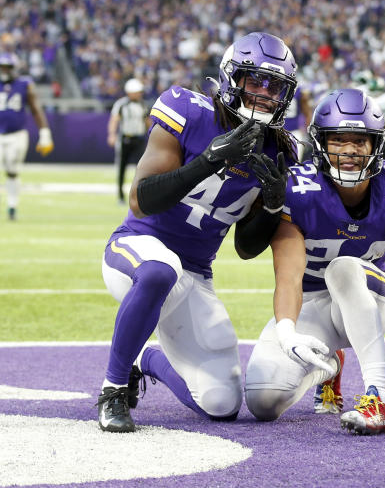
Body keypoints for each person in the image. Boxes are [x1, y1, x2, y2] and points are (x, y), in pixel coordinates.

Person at [97, 32, 300, 432]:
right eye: (254, 80)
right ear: (230, 78)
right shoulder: (187, 109)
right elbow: (142, 199)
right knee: (160, 269)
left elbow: (246, 247)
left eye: (274, 85)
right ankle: (113, 389)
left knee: (221, 403)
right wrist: (207, 160)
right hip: (137, 250)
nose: (263, 92)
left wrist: (273, 205)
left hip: (195, 274)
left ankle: (148, 360)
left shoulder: (280, 149)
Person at [244, 88, 385, 435]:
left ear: (376, 145)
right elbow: (288, 278)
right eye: (338, 140)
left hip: (371, 296)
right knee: (263, 400)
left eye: (360, 141)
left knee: (344, 266)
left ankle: (380, 396)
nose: (349, 150)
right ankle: (329, 366)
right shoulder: (297, 190)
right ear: (320, 143)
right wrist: (287, 332)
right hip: (314, 302)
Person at [0, 51, 54, 220]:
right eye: (1, 67)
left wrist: (44, 132)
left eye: (7, 67)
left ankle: (12, 206)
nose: (4, 70)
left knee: (12, 170)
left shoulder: (24, 84)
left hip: (17, 135)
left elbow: (36, 108)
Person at [107, 78, 149, 204]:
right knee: (121, 168)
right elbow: (114, 120)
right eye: (137, 91)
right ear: (129, 92)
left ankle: (141, 195)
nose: (139, 93)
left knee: (143, 169)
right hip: (125, 138)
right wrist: (112, 134)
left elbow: (147, 121)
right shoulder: (121, 104)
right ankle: (120, 195)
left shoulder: (143, 104)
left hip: (139, 139)